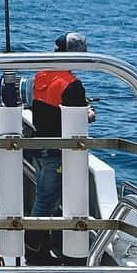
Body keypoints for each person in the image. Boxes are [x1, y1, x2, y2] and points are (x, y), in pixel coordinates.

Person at [27, 32, 96, 233]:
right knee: (46, 203)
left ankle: (37, 243)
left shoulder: (41, 75)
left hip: (39, 145)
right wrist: (89, 114)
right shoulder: (72, 86)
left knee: (43, 197)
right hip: (57, 151)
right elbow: (78, 117)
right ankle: (34, 248)